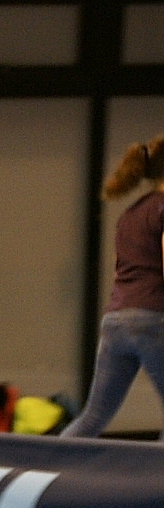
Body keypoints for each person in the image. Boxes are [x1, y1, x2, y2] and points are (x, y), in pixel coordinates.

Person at [61, 134, 164, 440]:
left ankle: (45, 464)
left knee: (92, 418)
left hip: (116, 322)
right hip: (153, 319)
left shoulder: (131, 213)